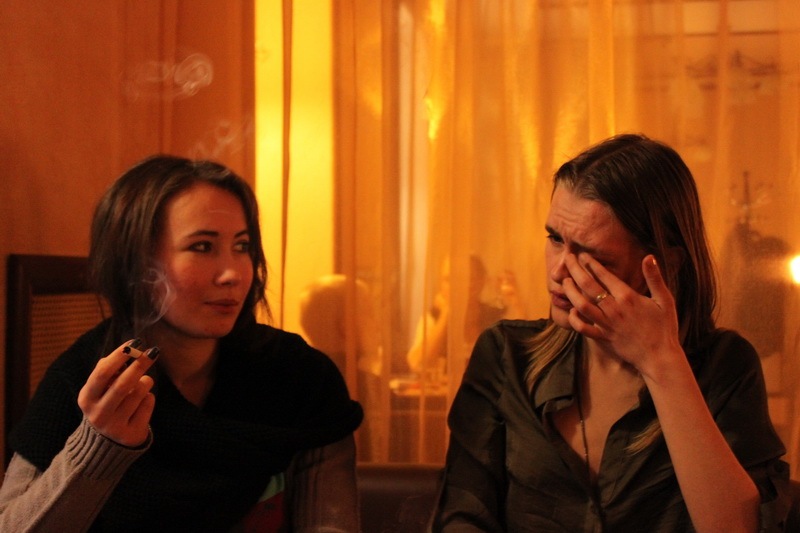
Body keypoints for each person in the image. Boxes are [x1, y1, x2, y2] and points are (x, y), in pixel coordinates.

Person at [432, 134, 790, 532]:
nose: (559, 271)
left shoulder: (725, 366)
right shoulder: (506, 356)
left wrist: (661, 362)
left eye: (592, 255)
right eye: (555, 239)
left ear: (664, 263)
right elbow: (462, 515)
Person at [0, 156, 363, 532]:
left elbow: (330, 522)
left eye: (242, 246)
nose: (233, 274)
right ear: (137, 263)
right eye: (202, 247)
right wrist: (99, 445)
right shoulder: (84, 378)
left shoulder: (299, 376)